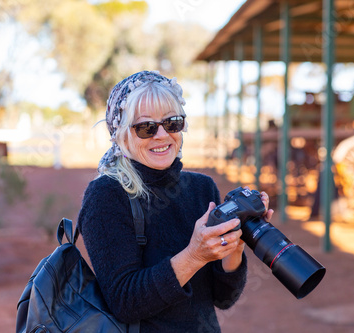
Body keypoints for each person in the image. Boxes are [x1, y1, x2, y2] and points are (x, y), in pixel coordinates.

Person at [78, 70, 274, 332]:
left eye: (172, 123)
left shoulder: (202, 188)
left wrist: (234, 246)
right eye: (146, 127)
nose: (161, 135)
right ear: (122, 135)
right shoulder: (106, 196)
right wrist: (194, 256)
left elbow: (223, 298)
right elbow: (124, 301)